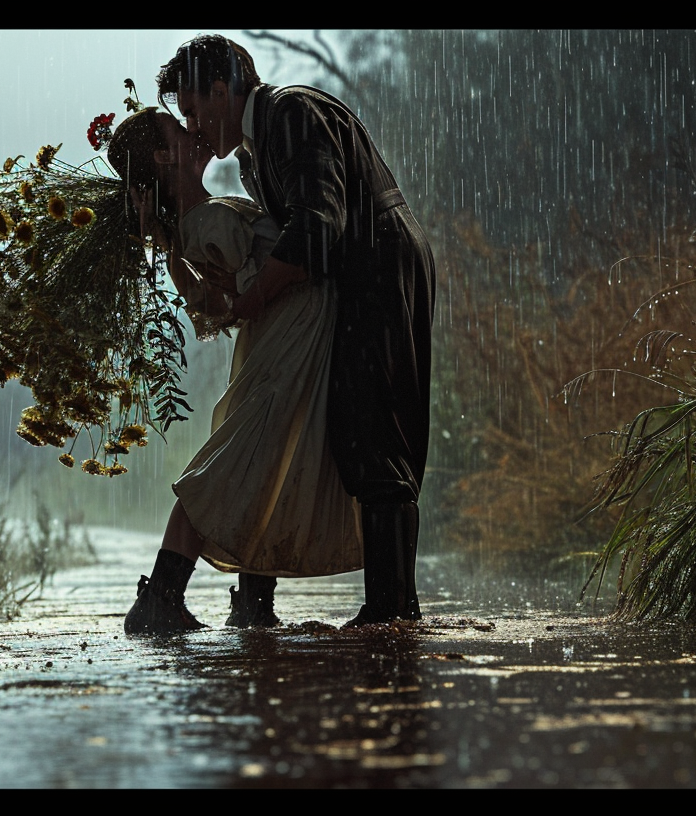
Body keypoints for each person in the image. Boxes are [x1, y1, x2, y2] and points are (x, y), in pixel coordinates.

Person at [156, 35, 436, 626]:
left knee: (375, 427)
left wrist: (252, 301)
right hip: (358, 275)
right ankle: (387, 609)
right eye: (183, 119)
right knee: (357, 431)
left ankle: (392, 610)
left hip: (379, 267)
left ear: (220, 88)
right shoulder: (258, 150)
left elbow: (316, 228)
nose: (194, 125)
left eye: (194, 110)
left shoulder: (290, 112)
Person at [108, 107, 364, 636]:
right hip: (286, 341)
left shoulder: (195, 224)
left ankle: (249, 603)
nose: (193, 130)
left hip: (283, 340)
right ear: (164, 156)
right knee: (235, 466)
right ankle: (164, 597)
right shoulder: (208, 220)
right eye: (180, 130)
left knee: (266, 465)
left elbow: (213, 302)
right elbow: (260, 278)